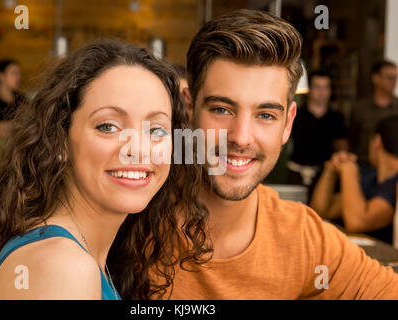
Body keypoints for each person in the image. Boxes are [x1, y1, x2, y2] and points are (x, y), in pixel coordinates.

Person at [155, 9, 398, 299]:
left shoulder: (303, 239)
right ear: (189, 109)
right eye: (221, 109)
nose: (241, 138)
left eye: (266, 115)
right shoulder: (130, 221)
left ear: (288, 123)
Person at [0, 39, 211, 300]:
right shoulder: (63, 267)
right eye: (108, 126)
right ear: (60, 141)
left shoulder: (84, 255)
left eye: (156, 130)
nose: (139, 149)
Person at [310, 116, 398, 244]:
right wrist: (330, 171)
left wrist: (348, 171)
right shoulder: (371, 178)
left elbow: (357, 222)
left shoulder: (395, 184)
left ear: (377, 141)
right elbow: (322, 211)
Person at [287, 70, 348, 192]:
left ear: (331, 90)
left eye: (325, 87)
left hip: (326, 175)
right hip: (296, 172)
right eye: (317, 87)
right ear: (309, 89)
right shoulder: (296, 114)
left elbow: (342, 146)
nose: (321, 92)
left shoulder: (337, 117)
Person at [349, 60, 398, 168]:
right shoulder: (360, 107)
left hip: (392, 167)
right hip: (364, 165)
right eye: (389, 78)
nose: (393, 82)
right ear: (376, 78)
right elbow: (352, 138)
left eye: (395, 78)